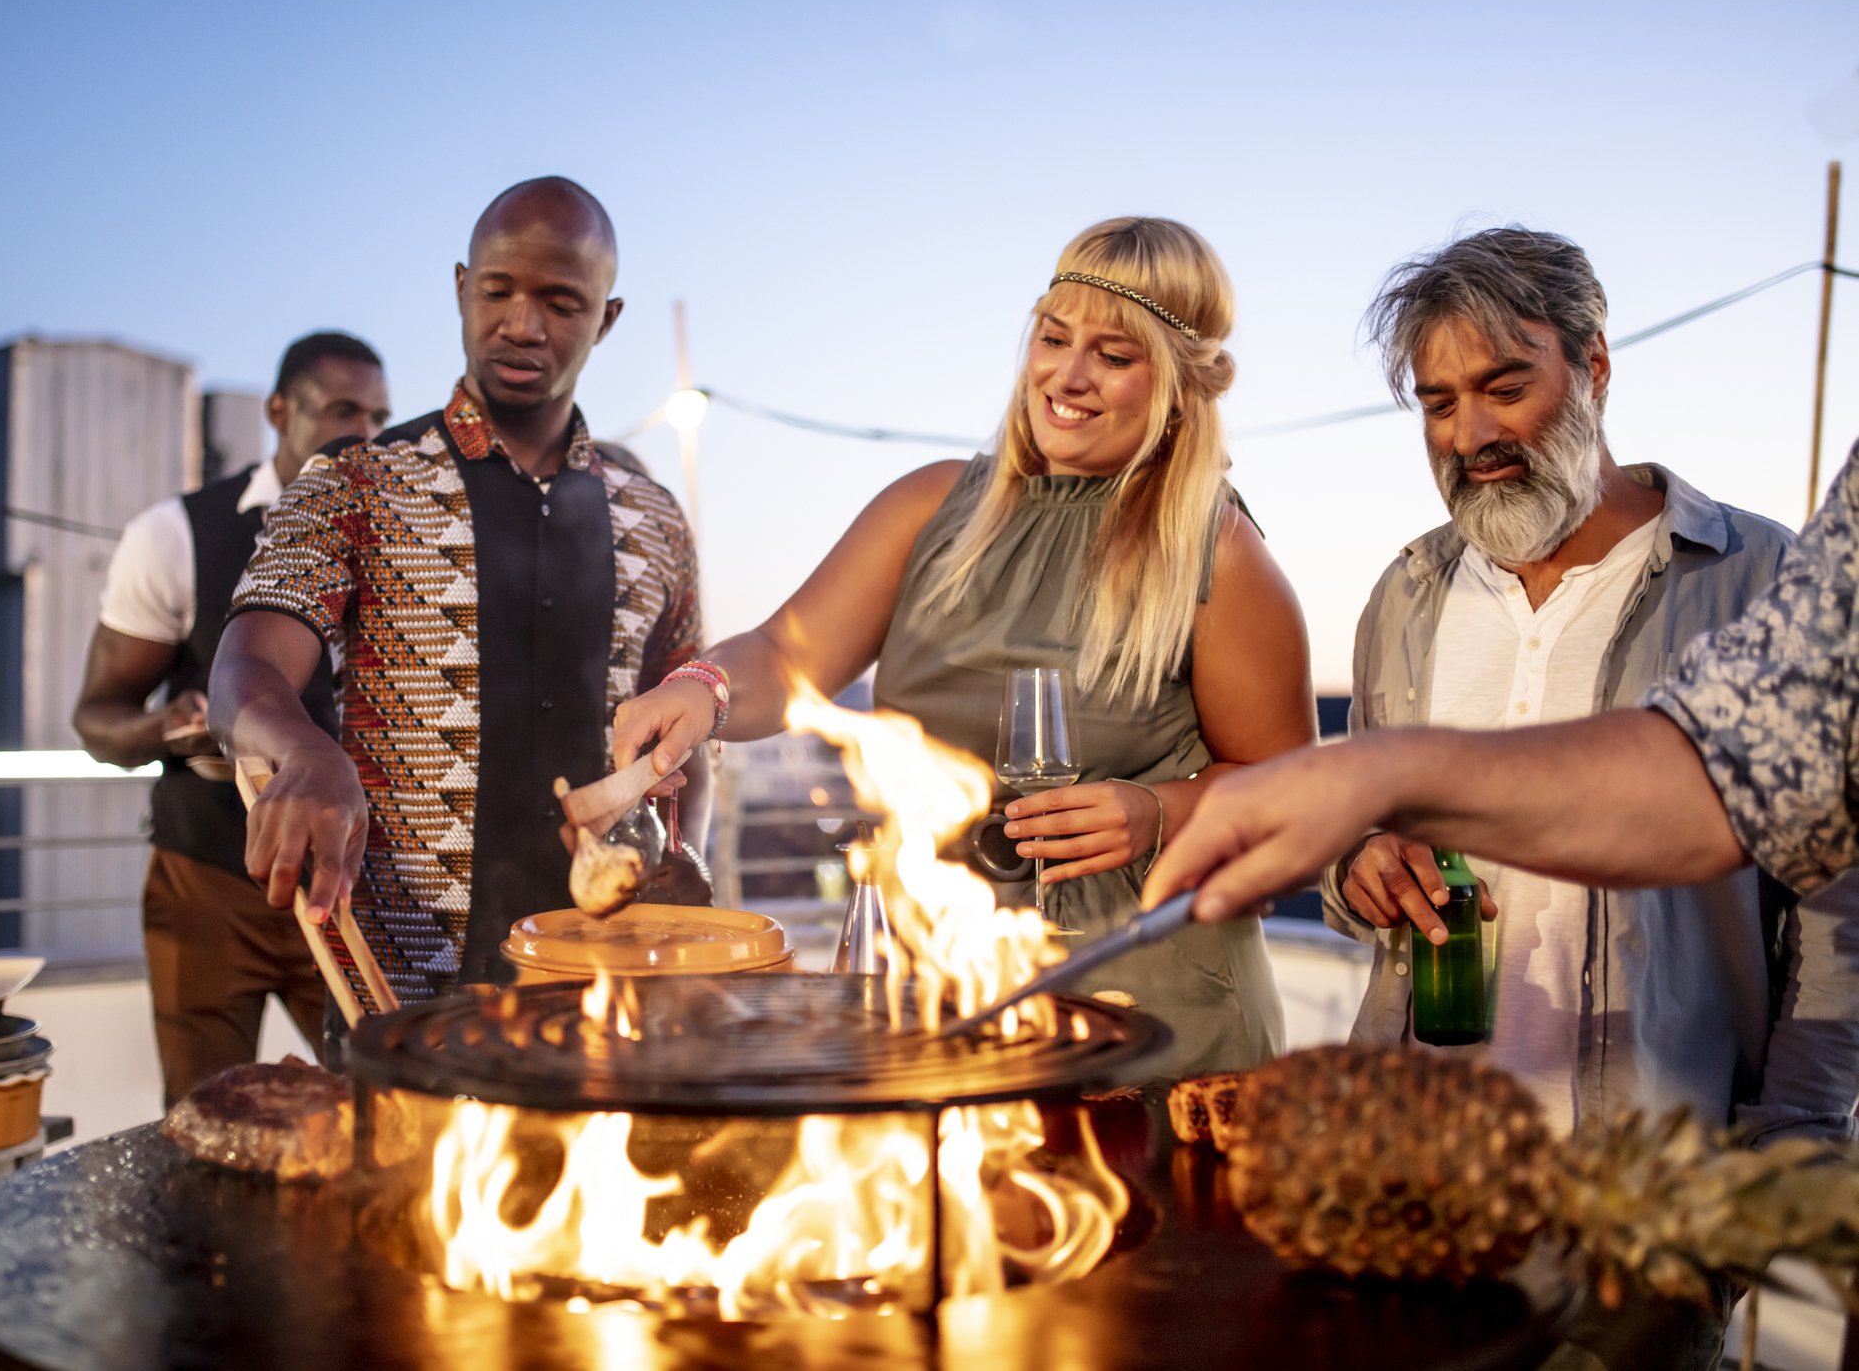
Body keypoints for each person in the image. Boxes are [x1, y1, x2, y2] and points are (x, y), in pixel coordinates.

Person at [613, 216, 1315, 1076]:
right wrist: (703, 690)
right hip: (931, 981)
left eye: (1114, 356)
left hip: (1142, 1000)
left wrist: (1156, 812)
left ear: (1178, 383)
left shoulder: (1221, 554)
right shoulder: (929, 505)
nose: (1068, 375)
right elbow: (783, 656)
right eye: (1053, 339)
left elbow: (1291, 790)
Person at [1317, 227, 1857, 1147]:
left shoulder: (1758, 573)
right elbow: (1355, 843)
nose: (1470, 435)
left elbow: (1834, 895)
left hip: (1658, 1181)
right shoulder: (1403, 596)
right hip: (1420, 1165)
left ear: (1594, 366)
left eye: (1505, 388)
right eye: (1437, 403)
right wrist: (1353, 863)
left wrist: (1793, 1130)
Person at [209, 177, 705, 999]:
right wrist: (303, 750)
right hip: (404, 996)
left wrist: (685, 858)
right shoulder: (357, 480)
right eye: (498, 290)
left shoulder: (651, 514)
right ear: (460, 289)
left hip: (607, 984)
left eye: (560, 301)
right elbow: (243, 670)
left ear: (606, 319)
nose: (521, 324)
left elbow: (689, 723)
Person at [73, 331, 391, 1107]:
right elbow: (96, 720)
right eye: (343, 410)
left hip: (357, 884)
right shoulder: (174, 535)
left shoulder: (403, 536)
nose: (368, 435)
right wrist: (172, 724)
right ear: (278, 411)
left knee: (387, 1111)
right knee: (202, 1117)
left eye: (381, 416)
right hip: (209, 879)